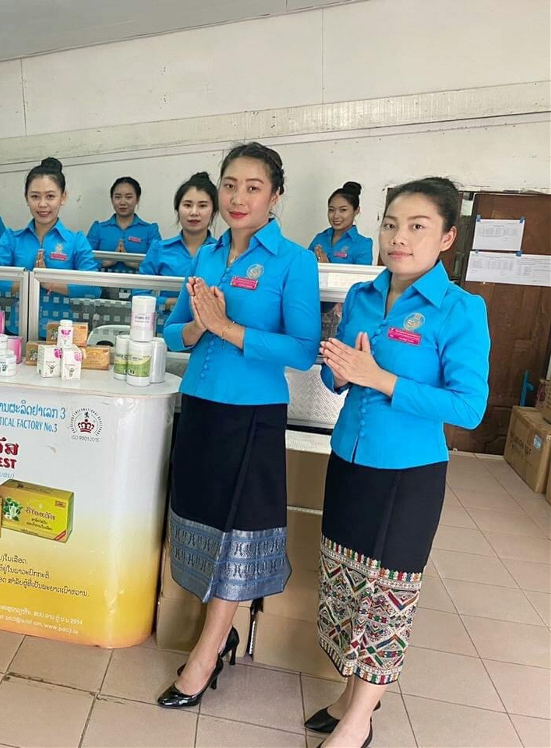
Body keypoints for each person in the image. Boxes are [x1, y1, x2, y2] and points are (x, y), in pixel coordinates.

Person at [306, 177, 489, 748]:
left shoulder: (460, 310)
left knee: (385, 597)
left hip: (408, 474)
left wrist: (380, 378)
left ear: (447, 237)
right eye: (390, 225)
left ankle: (359, 719)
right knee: (345, 584)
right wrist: (339, 372)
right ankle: (349, 696)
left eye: (417, 227)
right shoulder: (362, 296)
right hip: (349, 459)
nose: (398, 238)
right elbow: (337, 379)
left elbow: (469, 406)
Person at [157, 142, 321, 709]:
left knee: (235, 532)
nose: (238, 197)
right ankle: (218, 632)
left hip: (250, 415)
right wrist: (199, 327)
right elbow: (172, 330)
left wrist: (227, 328)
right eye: (230, 185)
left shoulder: (293, 261)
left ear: (275, 196)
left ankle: (206, 655)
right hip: (199, 406)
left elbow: (302, 350)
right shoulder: (207, 255)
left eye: (253, 187)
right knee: (201, 522)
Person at [0, 157, 100, 334]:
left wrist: (48, 282)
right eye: (35, 196)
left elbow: (93, 289)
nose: (42, 204)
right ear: (26, 198)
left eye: (50, 196)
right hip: (17, 331)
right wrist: (28, 281)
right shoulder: (12, 239)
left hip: (61, 334)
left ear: (63, 197)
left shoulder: (76, 241)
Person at [136, 172, 218, 310]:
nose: (194, 212)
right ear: (177, 209)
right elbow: (139, 295)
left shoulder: (223, 252)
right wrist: (172, 302)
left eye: (202, 206)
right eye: (187, 205)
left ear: (214, 212)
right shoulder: (159, 249)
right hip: (165, 322)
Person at [87, 177, 161, 273]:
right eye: (118, 197)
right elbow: (83, 260)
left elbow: (159, 262)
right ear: (111, 199)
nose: (122, 202)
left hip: (138, 283)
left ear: (137, 199)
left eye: (128, 197)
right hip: (103, 283)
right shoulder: (98, 229)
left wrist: (133, 263)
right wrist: (106, 262)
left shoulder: (150, 231)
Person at [308, 182, 374, 265]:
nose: (335, 216)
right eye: (331, 210)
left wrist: (327, 267)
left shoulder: (363, 244)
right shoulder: (320, 238)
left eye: (343, 210)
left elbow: (362, 273)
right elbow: (303, 267)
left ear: (356, 211)